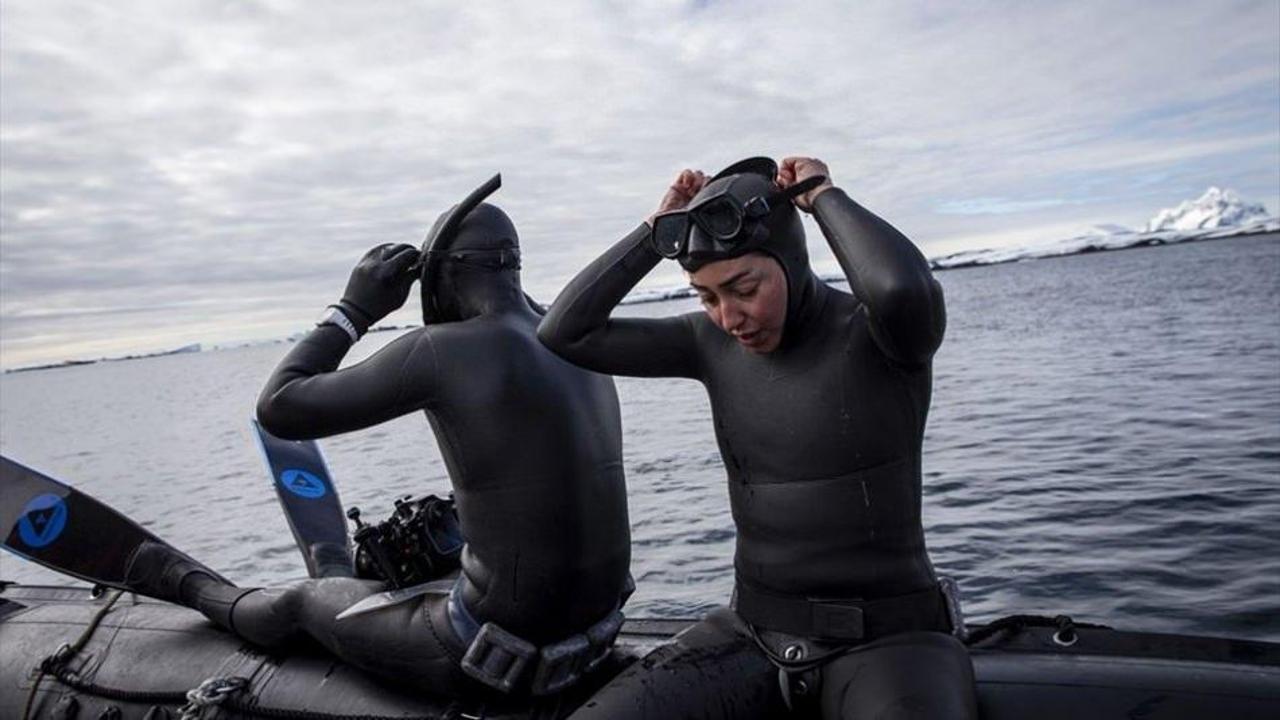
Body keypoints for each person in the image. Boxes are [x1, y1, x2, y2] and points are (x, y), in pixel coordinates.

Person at [123, 177, 633, 699]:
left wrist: (354, 310)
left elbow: (279, 406)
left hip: (484, 655)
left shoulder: (443, 349)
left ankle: (185, 584)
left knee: (302, 601)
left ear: (442, 274)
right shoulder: (572, 338)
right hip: (595, 632)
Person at [538, 156, 976, 718]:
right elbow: (564, 332)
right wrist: (654, 231)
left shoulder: (881, 334)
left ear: (791, 263)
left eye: (744, 288)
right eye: (706, 296)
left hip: (889, 640)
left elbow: (902, 289)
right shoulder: (707, 343)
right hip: (750, 631)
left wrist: (821, 195)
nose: (729, 317)